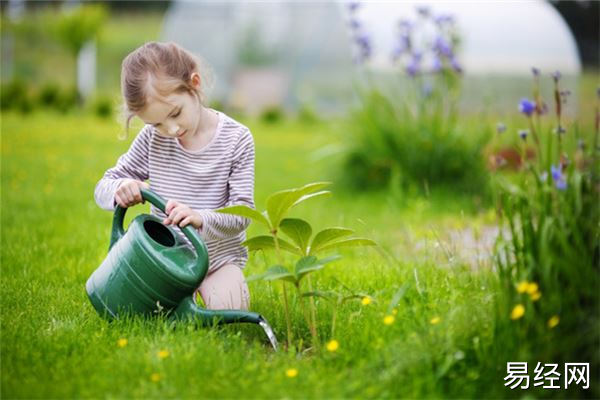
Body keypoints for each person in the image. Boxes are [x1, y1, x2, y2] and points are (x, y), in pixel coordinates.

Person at [94, 42, 253, 311]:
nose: (171, 129)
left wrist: (201, 217)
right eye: (155, 123)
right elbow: (103, 187)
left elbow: (242, 215)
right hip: (163, 261)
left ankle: (205, 295)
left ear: (195, 84)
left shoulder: (236, 139)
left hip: (216, 262)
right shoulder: (152, 139)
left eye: (175, 113)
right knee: (127, 311)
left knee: (230, 310)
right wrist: (121, 187)